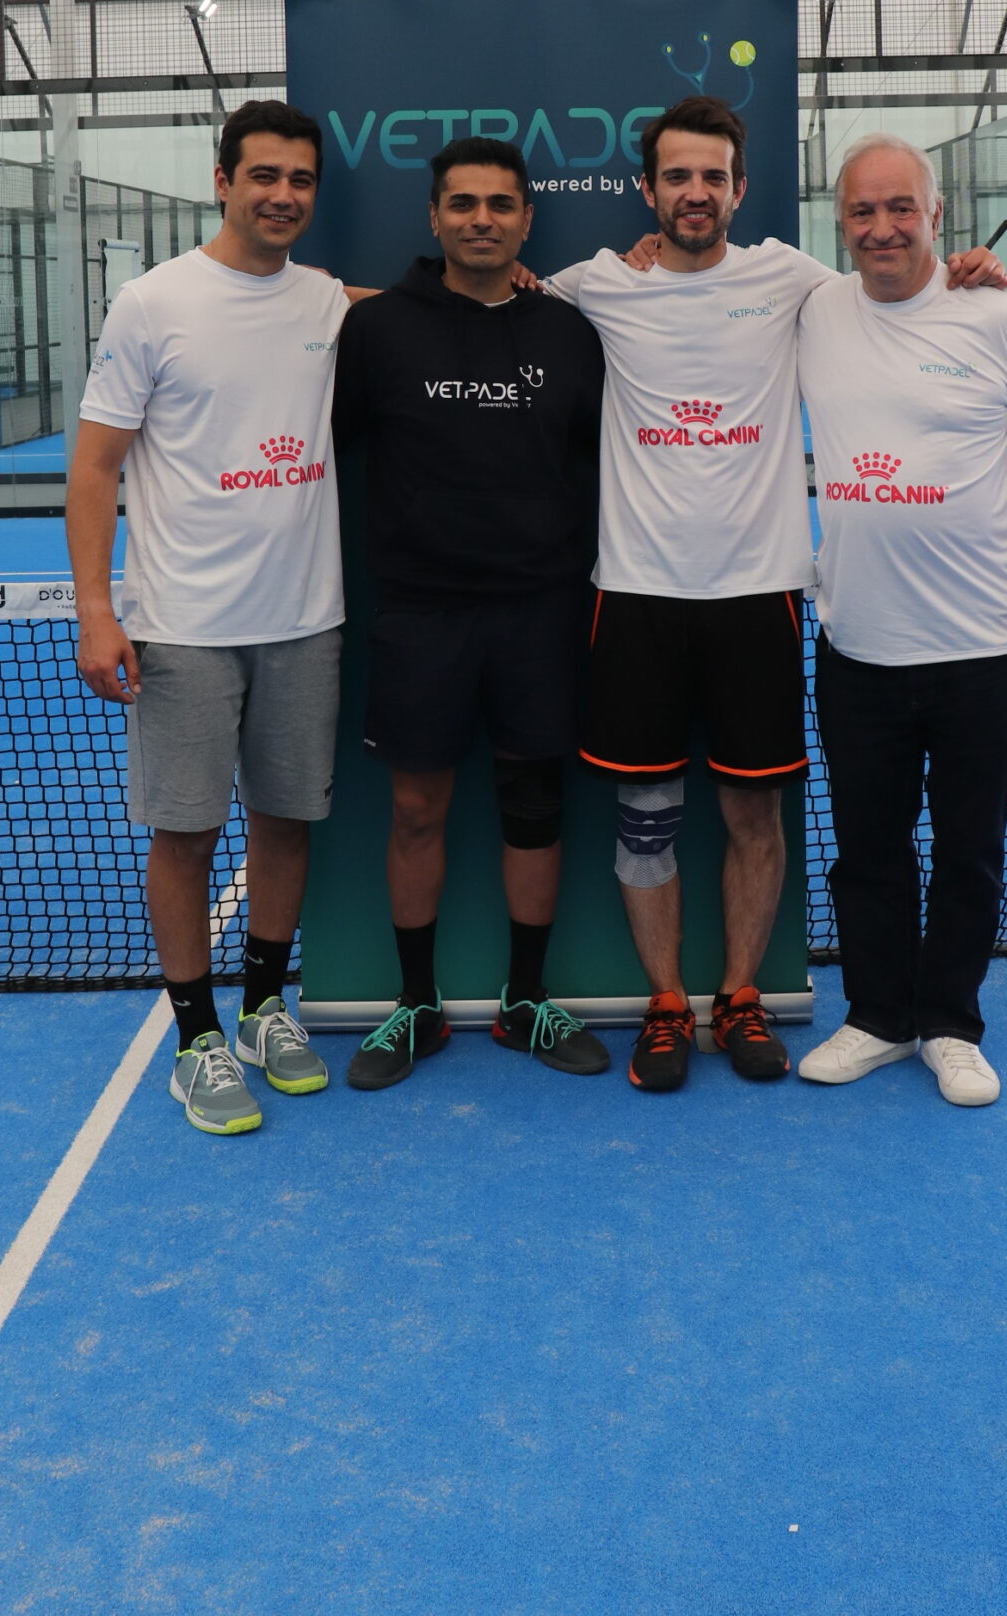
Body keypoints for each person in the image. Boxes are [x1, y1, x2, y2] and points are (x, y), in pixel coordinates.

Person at [547, 96, 1007, 1093]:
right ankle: (665, 1005)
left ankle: (739, 996)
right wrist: (325, 298)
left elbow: (899, 280)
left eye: (713, 177)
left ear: (740, 189)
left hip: (760, 598)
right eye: (677, 176)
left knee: (755, 816)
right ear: (648, 190)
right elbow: (481, 301)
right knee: (645, 814)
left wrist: (966, 271)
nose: (696, 192)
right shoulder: (597, 283)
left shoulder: (796, 280)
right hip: (635, 593)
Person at [68, 99, 363, 1138]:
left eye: (300, 179)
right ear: (223, 180)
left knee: (284, 822)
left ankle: (264, 1008)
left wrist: (529, 283)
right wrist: (96, 611)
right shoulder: (152, 303)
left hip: (305, 620)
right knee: (187, 833)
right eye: (264, 176)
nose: (283, 195)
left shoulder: (327, 301)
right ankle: (196, 1038)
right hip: (183, 624)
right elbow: (95, 469)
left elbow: (441, 306)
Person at [795, 135, 1007, 1106]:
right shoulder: (813, 309)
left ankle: (951, 1023)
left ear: (936, 213)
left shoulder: (993, 312)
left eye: (899, 208)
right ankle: (879, 1017)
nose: (882, 228)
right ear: (841, 221)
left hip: (977, 649)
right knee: (867, 854)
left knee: (969, 855)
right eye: (862, 211)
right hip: (857, 647)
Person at [332, 136, 610, 1090]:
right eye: (462, 203)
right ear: (434, 217)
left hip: (541, 614)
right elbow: (323, 451)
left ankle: (523, 1002)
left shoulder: (569, 332)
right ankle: (417, 1006)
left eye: (499, 204)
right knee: (416, 809)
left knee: (535, 810)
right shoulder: (375, 331)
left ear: (527, 219)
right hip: (420, 617)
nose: (480, 219)